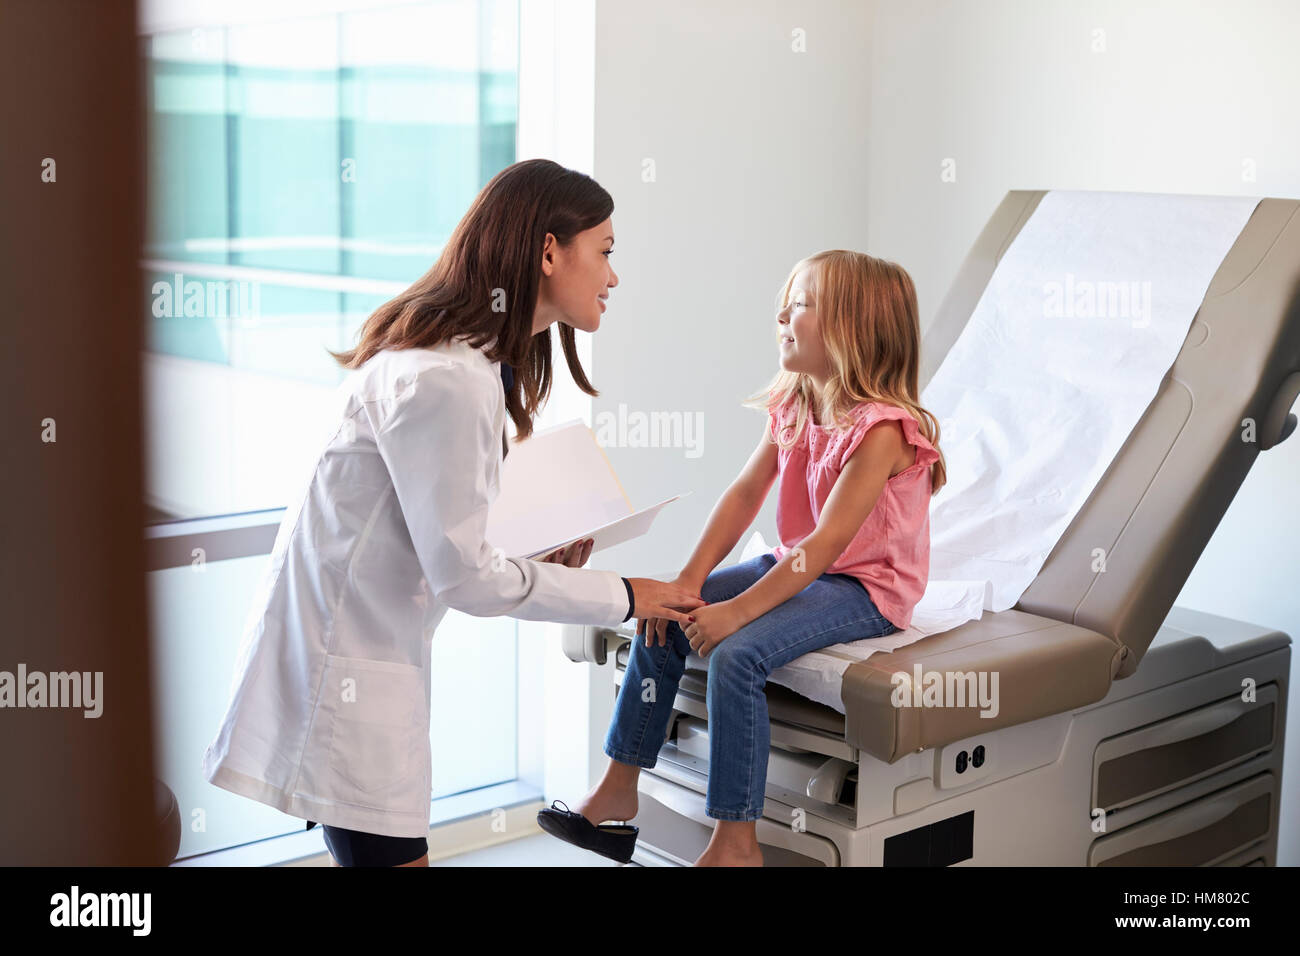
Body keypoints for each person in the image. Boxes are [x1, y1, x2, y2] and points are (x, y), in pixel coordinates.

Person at [201, 159, 704, 867]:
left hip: (354, 662)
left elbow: (436, 528)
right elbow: (465, 578)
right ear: (550, 251)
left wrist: (532, 556)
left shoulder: (457, 362)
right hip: (348, 679)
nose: (614, 276)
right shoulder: (449, 379)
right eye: (607, 252)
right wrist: (625, 595)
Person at [539, 250, 947, 866]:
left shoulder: (883, 430)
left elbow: (827, 545)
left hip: (864, 587)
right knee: (664, 612)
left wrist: (738, 613)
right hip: (797, 563)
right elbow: (744, 495)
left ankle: (735, 844)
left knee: (737, 657)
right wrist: (687, 581)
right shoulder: (796, 403)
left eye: (801, 303)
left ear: (855, 325)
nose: (782, 313)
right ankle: (619, 789)